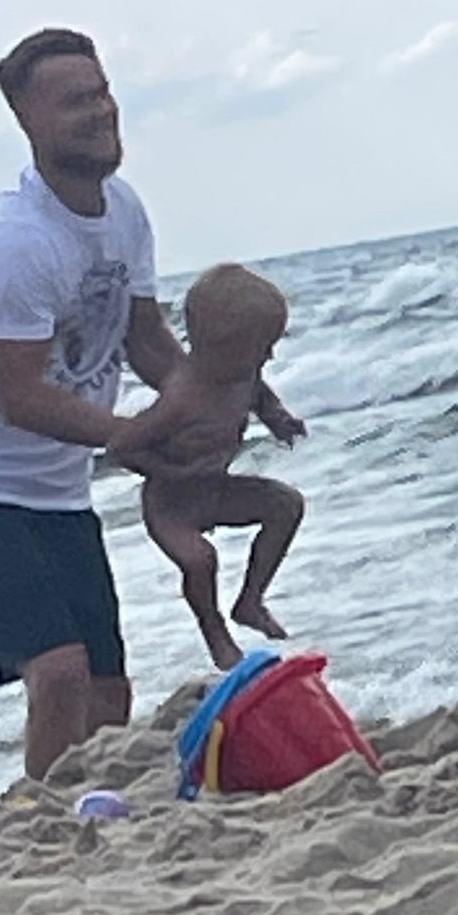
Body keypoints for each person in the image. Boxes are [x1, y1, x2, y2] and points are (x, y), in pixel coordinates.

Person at [0, 26, 303, 779]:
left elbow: (143, 335)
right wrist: (131, 434)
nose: (99, 111)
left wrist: (210, 406)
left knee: (109, 689)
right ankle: (42, 821)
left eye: (102, 92)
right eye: (74, 102)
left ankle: (83, 807)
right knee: (57, 673)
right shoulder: (16, 244)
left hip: (56, 496)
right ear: (28, 121)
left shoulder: (122, 211)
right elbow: (21, 396)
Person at [118, 263, 307, 671]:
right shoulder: (183, 396)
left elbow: (260, 396)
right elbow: (122, 448)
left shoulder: (243, 377)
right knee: (200, 560)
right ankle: (214, 629)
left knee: (286, 504)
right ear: (225, 348)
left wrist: (279, 419)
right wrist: (171, 473)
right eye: (262, 347)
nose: (270, 355)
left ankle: (251, 600)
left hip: (214, 490)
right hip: (171, 505)